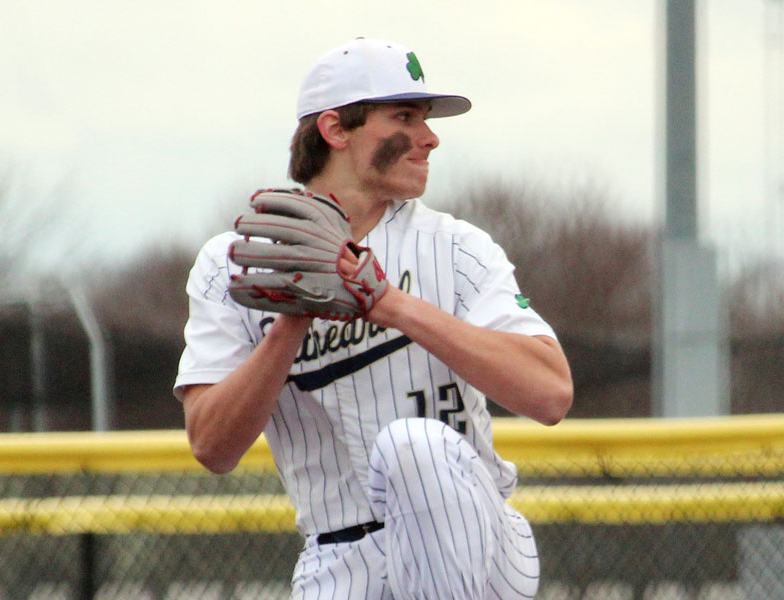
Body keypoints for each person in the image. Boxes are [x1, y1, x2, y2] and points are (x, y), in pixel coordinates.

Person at [174, 37, 573, 600]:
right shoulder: (232, 265)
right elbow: (212, 446)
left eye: (426, 119)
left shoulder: (455, 247)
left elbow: (551, 393)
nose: (430, 137)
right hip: (338, 562)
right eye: (404, 117)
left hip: (475, 542)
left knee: (413, 448)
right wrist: (292, 320)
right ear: (336, 130)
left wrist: (391, 305)